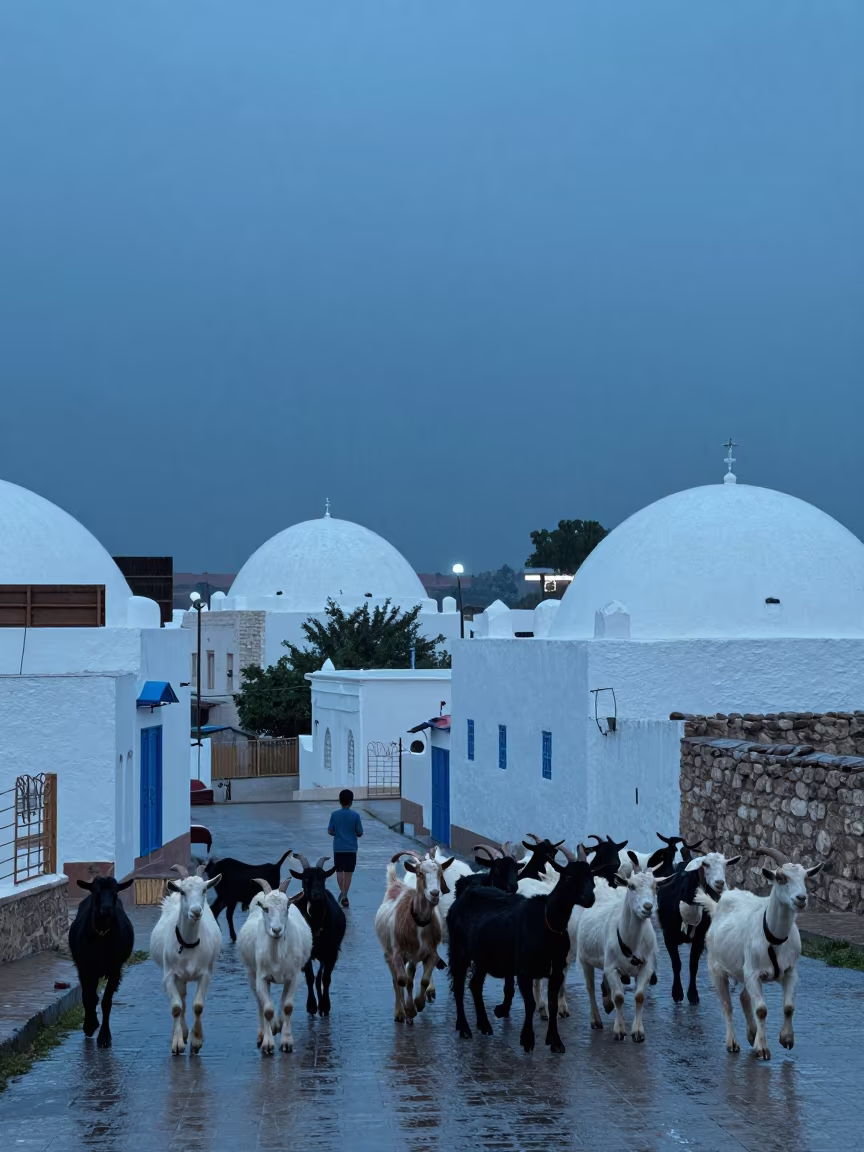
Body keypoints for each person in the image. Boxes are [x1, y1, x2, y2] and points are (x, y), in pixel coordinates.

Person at [327, 789, 363, 908]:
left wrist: (337, 833)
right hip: (351, 848)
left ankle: (343, 894)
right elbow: (359, 832)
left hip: (338, 848)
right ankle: (344, 895)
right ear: (351, 801)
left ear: (340, 801)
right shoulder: (355, 815)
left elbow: (330, 831)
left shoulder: (334, 814)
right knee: (348, 873)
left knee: (339, 871)